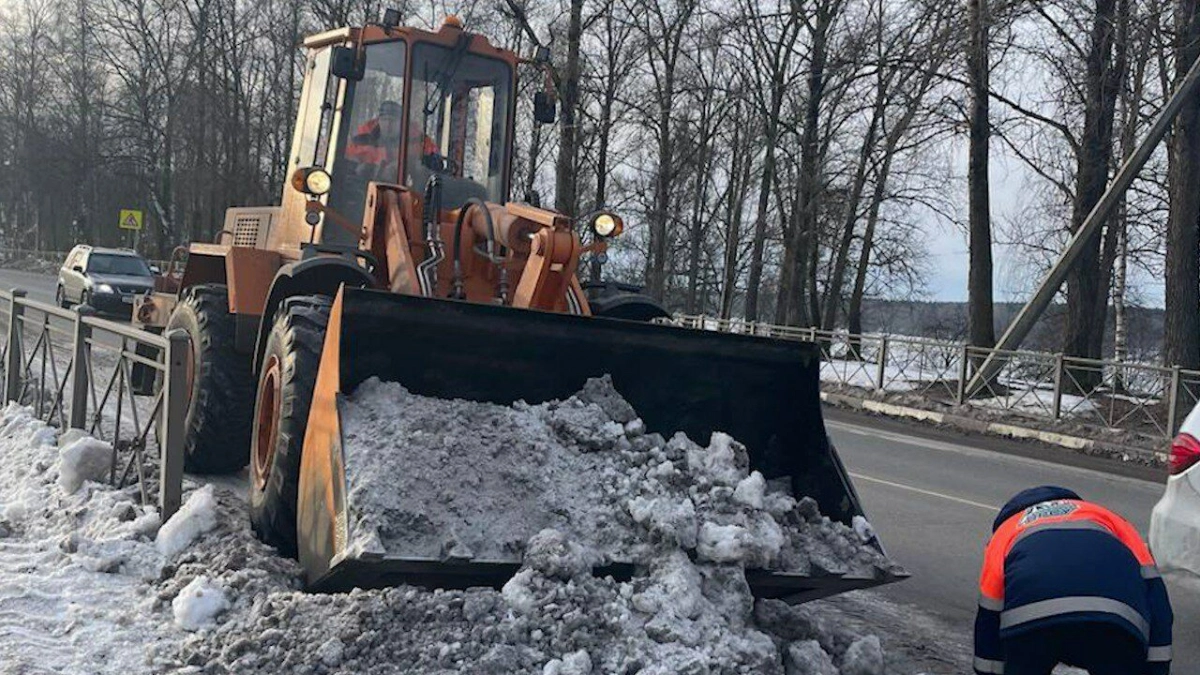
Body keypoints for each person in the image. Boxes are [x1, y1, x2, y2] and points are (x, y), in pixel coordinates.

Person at [974, 485, 1172, 675]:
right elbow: (1155, 592)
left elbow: (990, 611)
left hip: (1032, 624)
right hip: (1113, 621)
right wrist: (1157, 667)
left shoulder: (1006, 531)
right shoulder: (1106, 516)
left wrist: (988, 669)